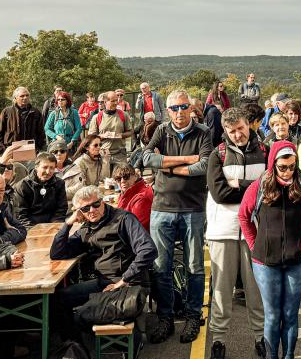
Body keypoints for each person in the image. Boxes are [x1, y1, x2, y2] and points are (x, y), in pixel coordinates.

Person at [136, 89, 215, 343]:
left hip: (193, 208)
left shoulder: (203, 132)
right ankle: (166, 317)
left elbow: (204, 165)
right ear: (167, 110)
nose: (179, 112)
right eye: (174, 108)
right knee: (161, 267)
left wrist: (169, 166)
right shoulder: (161, 130)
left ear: (190, 108)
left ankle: (193, 316)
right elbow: (146, 158)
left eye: (183, 107)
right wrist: (183, 161)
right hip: (161, 208)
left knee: (194, 267)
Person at [239, 142, 301, 359]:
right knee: (272, 315)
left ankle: (289, 356)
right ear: (273, 165)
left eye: (292, 166)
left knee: (290, 315)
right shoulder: (259, 187)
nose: (288, 172)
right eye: (283, 167)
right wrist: (253, 244)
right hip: (265, 262)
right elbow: (243, 216)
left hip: (297, 261)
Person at [50, 185, 159, 344]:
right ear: (79, 212)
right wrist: (68, 223)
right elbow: (57, 253)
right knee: (58, 299)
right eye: (85, 208)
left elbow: (148, 250)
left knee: (81, 315)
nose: (92, 210)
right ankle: (77, 348)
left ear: (103, 202)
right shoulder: (87, 228)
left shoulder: (123, 219)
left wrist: (124, 280)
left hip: (130, 285)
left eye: (96, 204)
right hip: (105, 283)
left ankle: (132, 341)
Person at [204, 106, 269, 359]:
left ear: (248, 125)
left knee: (256, 289)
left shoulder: (264, 150)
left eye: (241, 129)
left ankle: (260, 337)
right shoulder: (216, 155)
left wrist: (239, 185)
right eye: (231, 132)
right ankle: (218, 340)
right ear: (225, 131)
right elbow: (220, 195)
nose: (237, 135)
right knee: (221, 290)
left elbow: (270, 191)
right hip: (224, 231)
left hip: (256, 230)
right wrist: (253, 188)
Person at [13, 152, 68, 225]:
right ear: (36, 167)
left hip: (53, 224)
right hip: (30, 226)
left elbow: (61, 209)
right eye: (45, 167)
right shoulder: (22, 186)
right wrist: (34, 230)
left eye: (51, 168)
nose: (48, 172)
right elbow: (20, 214)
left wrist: (54, 226)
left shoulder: (59, 183)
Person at [86, 91, 134, 164]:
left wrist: (120, 135)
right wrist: (102, 136)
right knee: (104, 175)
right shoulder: (97, 117)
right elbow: (91, 137)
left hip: (120, 154)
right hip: (102, 155)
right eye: (112, 101)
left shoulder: (124, 115)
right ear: (105, 102)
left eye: (116, 100)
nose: (116, 103)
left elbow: (130, 131)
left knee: (121, 175)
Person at [0, 86, 46, 151]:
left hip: (30, 151)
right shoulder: (7, 112)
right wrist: (2, 149)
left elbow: (41, 133)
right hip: (11, 151)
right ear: (15, 98)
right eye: (22, 96)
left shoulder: (36, 112)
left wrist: (38, 147)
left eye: (27, 95)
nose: (25, 97)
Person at [115, 164, 153, 231]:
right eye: (118, 179)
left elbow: (136, 229)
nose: (122, 181)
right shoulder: (126, 192)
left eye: (126, 177)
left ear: (135, 176)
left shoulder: (142, 197)